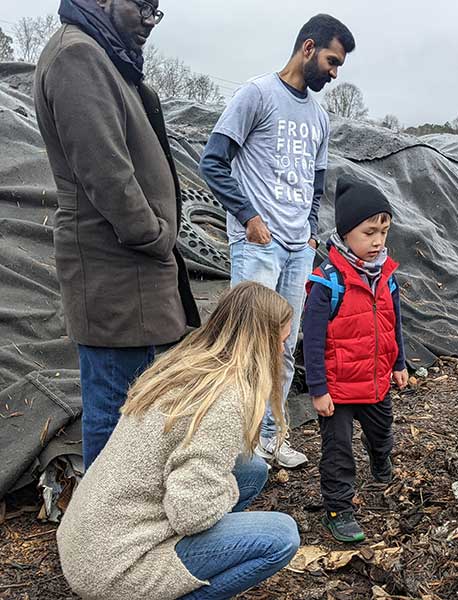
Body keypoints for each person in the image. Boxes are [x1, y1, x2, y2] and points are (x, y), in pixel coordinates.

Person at [33, 0, 200, 469]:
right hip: (116, 273)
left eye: (156, 10)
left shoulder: (104, 55)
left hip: (132, 272)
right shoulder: (77, 56)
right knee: (114, 412)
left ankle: (126, 527)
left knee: (138, 412)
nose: (150, 19)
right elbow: (105, 172)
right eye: (142, 5)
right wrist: (154, 234)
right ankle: (105, 537)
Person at [56, 282, 301, 600]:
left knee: (252, 469)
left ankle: (194, 563)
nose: (282, 351)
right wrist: (224, 489)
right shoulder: (226, 399)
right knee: (281, 536)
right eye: (280, 341)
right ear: (260, 342)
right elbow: (191, 515)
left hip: (88, 541)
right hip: (114, 569)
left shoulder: (186, 364)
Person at [199, 14, 355, 469]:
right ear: (308, 48)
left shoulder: (320, 117)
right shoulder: (257, 95)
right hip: (259, 244)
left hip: (296, 248)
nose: (334, 71)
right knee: (245, 344)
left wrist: (308, 231)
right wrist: (248, 216)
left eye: (339, 64)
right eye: (331, 60)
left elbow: (316, 183)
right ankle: (232, 445)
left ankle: (270, 436)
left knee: (284, 347)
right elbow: (213, 162)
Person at [303, 177, 409, 542]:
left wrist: (399, 364)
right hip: (339, 388)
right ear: (346, 233)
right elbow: (312, 341)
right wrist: (318, 389)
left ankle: (380, 458)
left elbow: (394, 324)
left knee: (382, 433)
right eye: (368, 232)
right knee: (338, 452)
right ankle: (338, 508)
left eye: (384, 231)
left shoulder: (386, 277)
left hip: (378, 380)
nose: (378, 241)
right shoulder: (327, 283)